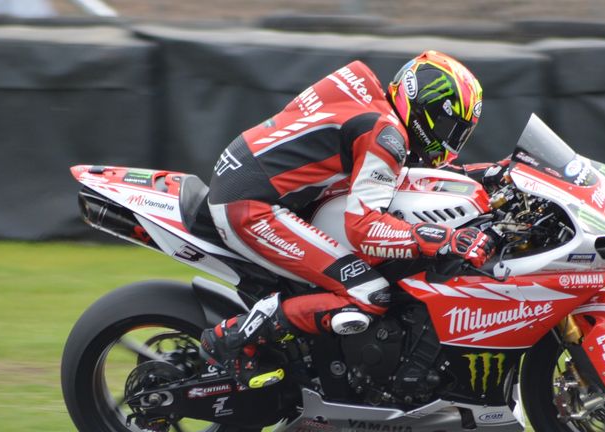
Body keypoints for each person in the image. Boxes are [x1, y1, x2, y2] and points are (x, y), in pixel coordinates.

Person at [200, 50, 504, 388]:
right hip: (251, 206)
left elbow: (394, 173)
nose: (448, 141)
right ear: (422, 110)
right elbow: (364, 229)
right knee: (368, 292)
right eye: (447, 127)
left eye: (458, 133)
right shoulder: (385, 133)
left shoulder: (369, 97)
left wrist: (481, 174)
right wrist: (441, 239)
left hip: (247, 180)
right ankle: (236, 334)